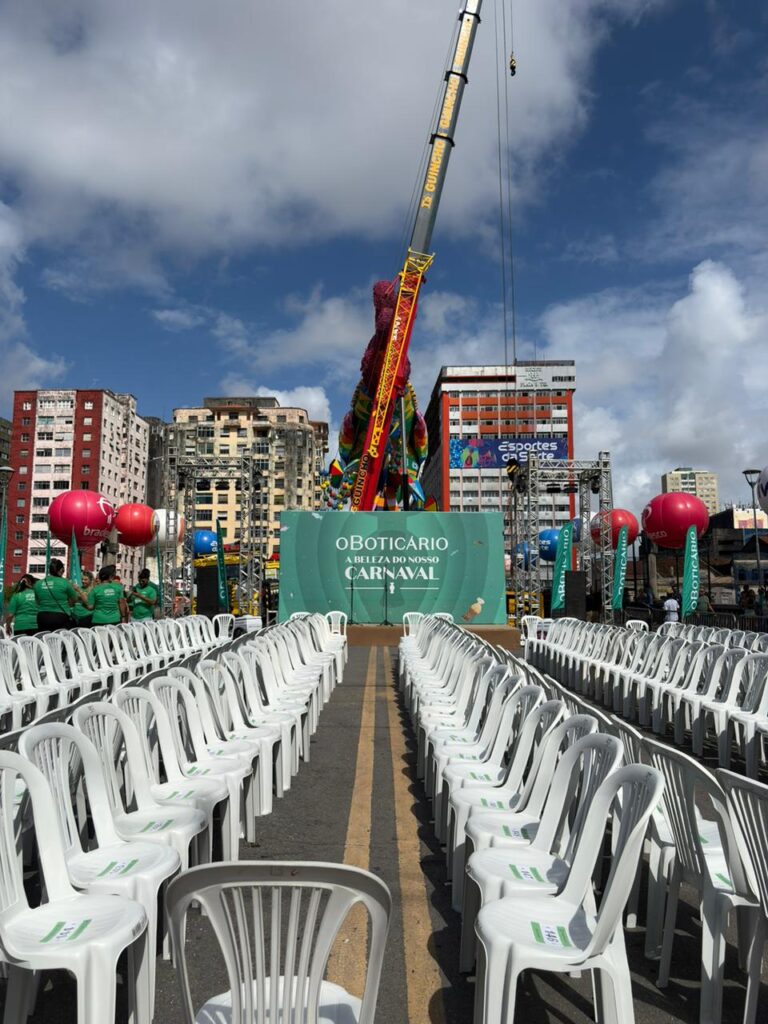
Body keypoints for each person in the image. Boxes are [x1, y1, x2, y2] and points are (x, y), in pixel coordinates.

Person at [34, 558, 88, 631]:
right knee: (60, 637)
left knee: (45, 637)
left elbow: (37, 602)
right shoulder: (65, 582)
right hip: (60, 616)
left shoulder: (38, 584)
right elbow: (75, 599)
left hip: (42, 616)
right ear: (61, 570)